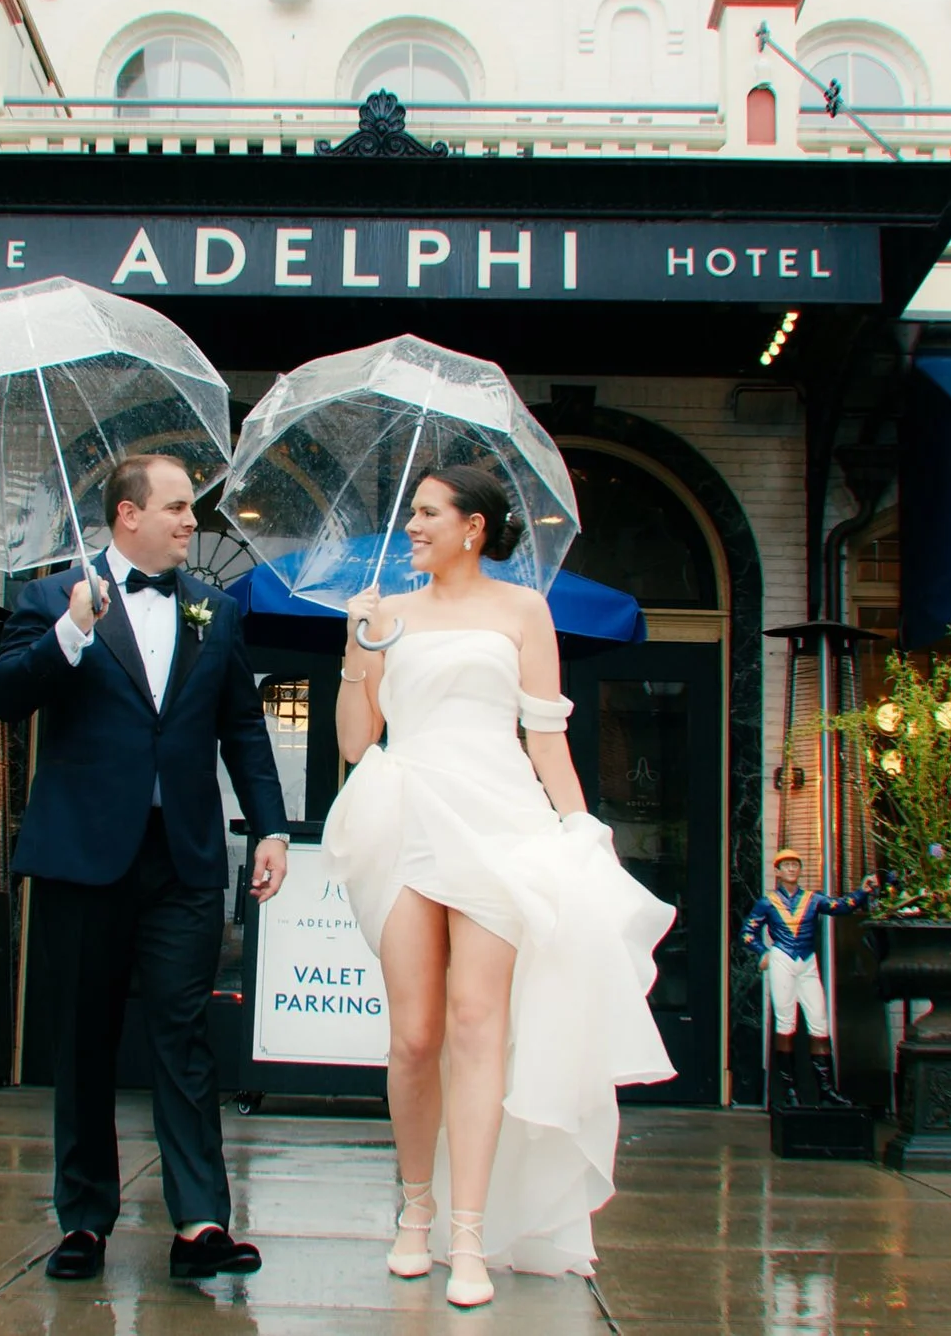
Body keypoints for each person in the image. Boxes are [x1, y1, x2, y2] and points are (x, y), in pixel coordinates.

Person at [322, 465, 676, 1310]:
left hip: (499, 820)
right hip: (405, 812)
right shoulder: (388, 615)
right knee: (414, 1035)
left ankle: (470, 1233)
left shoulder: (524, 611)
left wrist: (581, 832)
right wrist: (353, 650)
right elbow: (352, 742)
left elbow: (546, 737)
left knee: (480, 1025)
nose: (411, 525)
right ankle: (416, 1214)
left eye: (426, 513)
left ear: (473, 527)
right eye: (413, 512)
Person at [0, 451, 292, 1284]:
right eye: (179, 508)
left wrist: (269, 829)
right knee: (83, 1040)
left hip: (185, 859)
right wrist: (72, 631)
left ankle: (200, 1222)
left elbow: (244, 731)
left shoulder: (215, 611)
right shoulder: (51, 600)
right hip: (82, 860)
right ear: (128, 515)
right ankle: (84, 1220)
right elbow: (5, 696)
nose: (193, 522)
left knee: (183, 1036)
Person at [742, 848, 877, 1107]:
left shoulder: (812, 900)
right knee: (785, 1023)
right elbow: (747, 932)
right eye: (787, 865)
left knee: (819, 1021)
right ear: (778, 871)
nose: (792, 869)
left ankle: (825, 1090)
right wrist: (762, 951)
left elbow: (840, 906)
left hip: (806, 961)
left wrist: (863, 892)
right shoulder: (767, 902)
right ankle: (788, 1089)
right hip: (782, 958)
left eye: (796, 865)